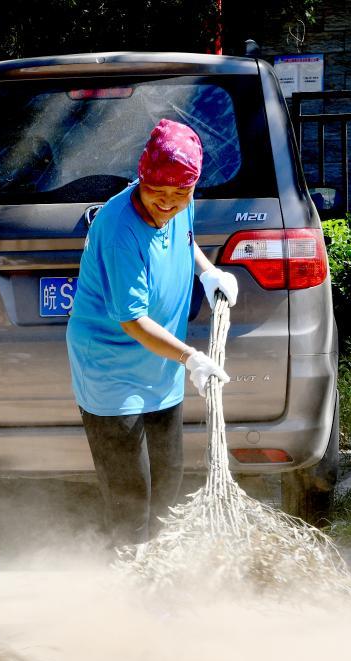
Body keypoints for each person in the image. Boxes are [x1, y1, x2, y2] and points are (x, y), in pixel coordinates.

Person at [66, 119, 239, 547]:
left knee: (167, 488)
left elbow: (185, 236)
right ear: (142, 178)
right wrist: (191, 359)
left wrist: (208, 271)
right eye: (158, 194)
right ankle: (127, 591)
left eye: (180, 195)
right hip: (111, 372)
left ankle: (158, 581)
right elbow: (133, 321)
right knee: (131, 498)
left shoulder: (182, 198)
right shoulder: (119, 228)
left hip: (159, 368)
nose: (168, 204)